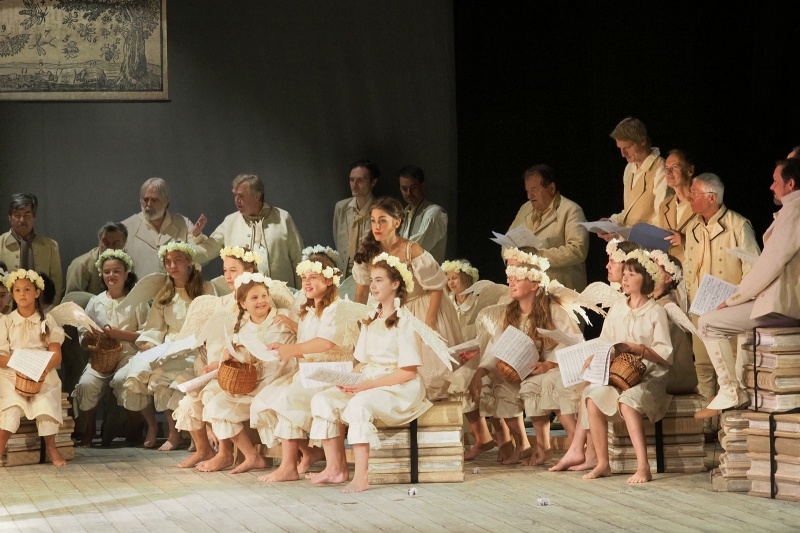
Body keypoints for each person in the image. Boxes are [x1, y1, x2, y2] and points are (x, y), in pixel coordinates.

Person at [307, 253, 432, 492]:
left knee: (359, 404)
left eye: (379, 280)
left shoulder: (405, 320)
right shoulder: (371, 317)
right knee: (322, 399)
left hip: (399, 387)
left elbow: (407, 372)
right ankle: (335, 469)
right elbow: (362, 362)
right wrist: (348, 380)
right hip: (370, 378)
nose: (372, 285)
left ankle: (361, 477)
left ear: (395, 284)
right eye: (372, 280)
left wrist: (364, 386)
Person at [696, 158, 800, 417]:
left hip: (783, 304)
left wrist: (735, 298)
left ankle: (731, 390)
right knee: (736, 329)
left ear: (790, 184)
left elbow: (770, 264)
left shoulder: (794, 211)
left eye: (775, 181)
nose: (771, 186)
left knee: (708, 323)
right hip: (781, 300)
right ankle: (742, 390)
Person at [251, 250, 356, 482]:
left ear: (329, 280)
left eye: (313, 277)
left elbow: (326, 343)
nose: (307, 282)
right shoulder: (309, 311)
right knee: (265, 399)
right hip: (312, 372)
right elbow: (308, 339)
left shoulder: (337, 308)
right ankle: (308, 453)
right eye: (304, 278)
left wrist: (293, 350)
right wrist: (285, 346)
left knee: (287, 398)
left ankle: (288, 466)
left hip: (334, 372)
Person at [467, 249, 580, 466]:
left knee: (540, 385)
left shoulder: (553, 309)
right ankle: (525, 445)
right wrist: (480, 372)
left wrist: (548, 364)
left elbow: (571, 340)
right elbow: (496, 345)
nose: (511, 282)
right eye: (510, 278)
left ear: (535, 284)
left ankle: (555, 446)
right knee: (499, 387)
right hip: (524, 369)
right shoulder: (509, 313)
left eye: (517, 278)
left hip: (552, 367)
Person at [353, 197, 463, 396]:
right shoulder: (368, 251)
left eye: (382, 221)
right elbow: (361, 290)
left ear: (397, 222)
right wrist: (359, 320)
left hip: (419, 307)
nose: (377, 226)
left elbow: (436, 286)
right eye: (373, 221)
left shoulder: (411, 249)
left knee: (425, 373)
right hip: (387, 309)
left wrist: (429, 322)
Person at [549, 238, 641, 473]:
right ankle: (586, 451)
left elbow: (625, 340)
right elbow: (607, 337)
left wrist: (601, 357)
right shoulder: (620, 300)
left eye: (612, 262)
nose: (607, 266)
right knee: (582, 379)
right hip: (613, 358)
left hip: (630, 366)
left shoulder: (632, 301)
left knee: (590, 385)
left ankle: (581, 449)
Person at [111, 241, 214, 450]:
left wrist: (206, 341)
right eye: (168, 262)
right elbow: (155, 326)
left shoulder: (204, 288)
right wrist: (150, 343)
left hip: (196, 346)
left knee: (181, 381)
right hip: (171, 345)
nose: (172, 266)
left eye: (178, 260)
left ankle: (195, 433)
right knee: (154, 376)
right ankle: (173, 433)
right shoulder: (165, 293)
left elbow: (213, 318)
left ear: (189, 262)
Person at [583, 250, 673, 483]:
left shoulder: (655, 311)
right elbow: (605, 342)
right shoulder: (618, 308)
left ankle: (643, 466)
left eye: (631, 274)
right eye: (624, 274)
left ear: (645, 278)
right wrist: (595, 357)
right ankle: (603, 463)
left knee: (627, 401)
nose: (625, 278)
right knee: (593, 398)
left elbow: (665, 354)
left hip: (650, 375)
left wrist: (637, 349)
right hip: (620, 374)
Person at [172, 245, 260, 469]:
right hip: (217, 368)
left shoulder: (256, 299)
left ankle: (225, 452)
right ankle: (203, 449)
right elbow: (216, 336)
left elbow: (250, 339)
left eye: (233, 270)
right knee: (188, 399)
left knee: (211, 394)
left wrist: (221, 363)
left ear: (249, 271)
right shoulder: (221, 302)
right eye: (225, 271)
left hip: (241, 371)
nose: (228, 276)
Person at [202, 273, 297, 474]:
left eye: (264, 296)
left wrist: (294, 326)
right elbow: (244, 356)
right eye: (254, 298)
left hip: (282, 378)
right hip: (254, 382)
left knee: (266, 404)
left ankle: (300, 455)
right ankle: (252, 456)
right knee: (215, 406)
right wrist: (232, 356)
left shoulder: (285, 315)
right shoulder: (242, 328)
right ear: (243, 304)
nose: (261, 301)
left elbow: (308, 338)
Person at [682, 173, 760, 419]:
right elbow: (689, 266)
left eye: (695, 194)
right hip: (700, 305)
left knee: (735, 365)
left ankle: (734, 423)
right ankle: (708, 427)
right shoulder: (693, 227)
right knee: (703, 365)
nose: (690, 198)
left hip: (729, 308)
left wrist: (737, 299)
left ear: (711, 198)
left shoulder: (738, 225)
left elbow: (753, 268)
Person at [72, 250, 149, 447]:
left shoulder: (136, 300)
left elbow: (147, 334)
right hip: (101, 356)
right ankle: (90, 430)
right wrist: (88, 336)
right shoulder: (96, 302)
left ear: (126, 273)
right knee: (86, 384)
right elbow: (83, 328)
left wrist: (119, 334)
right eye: (107, 272)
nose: (111, 276)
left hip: (128, 354)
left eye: (116, 271)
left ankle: (135, 425)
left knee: (124, 380)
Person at [0, 269, 67, 465]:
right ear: (12, 294)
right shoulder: (6, 321)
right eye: (17, 290)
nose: (22, 294)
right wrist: (22, 364)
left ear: (37, 293)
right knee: (12, 406)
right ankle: (1, 445)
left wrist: (41, 368)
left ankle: (52, 448)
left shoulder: (47, 320)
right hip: (12, 372)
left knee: (45, 404)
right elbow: (1, 357)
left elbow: (56, 355)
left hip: (41, 371)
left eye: (27, 289)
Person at [205, 174, 305, 288]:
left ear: (257, 196)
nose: (236, 200)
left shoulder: (283, 218)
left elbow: (299, 259)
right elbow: (207, 250)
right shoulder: (230, 222)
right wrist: (193, 241)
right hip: (245, 296)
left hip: (283, 293)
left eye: (241, 196)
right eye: (235, 195)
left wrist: (303, 294)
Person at [508, 164, 589, 291]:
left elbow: (577, 251)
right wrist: (510, 258)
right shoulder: (525, 208)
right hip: (529, 291)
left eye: (534, 190)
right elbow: (508, 239)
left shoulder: (571, 210)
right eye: (527, 191)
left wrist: (536, 255)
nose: (529, 196)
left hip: (561, 290)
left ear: (551, 188)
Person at [121, 178, 211, 277]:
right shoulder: (126, 227)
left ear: (166, 202)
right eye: (145, 199)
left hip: (176, 287)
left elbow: (203, 259)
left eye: (154, 200)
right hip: (140, 287)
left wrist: (196, 236)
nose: (149, 204)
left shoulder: (183, 224)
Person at [600, 117, 667, 240]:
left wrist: (622, 235)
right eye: (620, 148)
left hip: (649, 244)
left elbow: (662, 219)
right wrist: (612, 222)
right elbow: (629, 212)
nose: (623, 154)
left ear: (643, 141)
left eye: (627, 147)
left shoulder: (660, 169)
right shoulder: (629, 168)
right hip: (629, 243)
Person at [649, 251, 698, 395]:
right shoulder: (654, 301)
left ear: (668, 278)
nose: (649, 273)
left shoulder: (667, 306)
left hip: (673, 374)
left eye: (655, 269)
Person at [0, 193, 63, 304]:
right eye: (17, 215)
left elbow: (56, 284)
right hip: (6, 310)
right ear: (9, 217)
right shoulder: (1, 244)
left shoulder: (50, 246)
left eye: (27, 215)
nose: (22, 220)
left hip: (42, 309)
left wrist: (49, 309)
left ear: (34, 217)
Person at [333, 161, 379, 276]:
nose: (354, 184)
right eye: (352, 180)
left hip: (369, 271)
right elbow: (337, 238)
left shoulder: (380, 209)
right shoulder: (341, 207)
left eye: (360, 180)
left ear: (373, 182)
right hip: (344, 271)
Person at [397, 166, 448, 263]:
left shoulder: (434, 213)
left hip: (429, 272)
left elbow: (415, 249)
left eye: (413, 188)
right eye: (404, 188)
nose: (408, 193)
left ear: (422, 186)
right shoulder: (403, 213)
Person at [65, 221, 128, 296]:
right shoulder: (81, 265)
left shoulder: (127, 262)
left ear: (124, 243)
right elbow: (73, 298)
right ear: (99, 240)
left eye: (116, 243)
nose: (110, 248)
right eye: (106, 242)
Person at [657, 150, 696, 262]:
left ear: (690, 171)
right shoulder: (664, 205)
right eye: (666, 168)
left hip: (694, 268)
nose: (669, 172)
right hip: (670, 268)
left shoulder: (701, 203)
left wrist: (685, 241)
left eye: (675, 167)